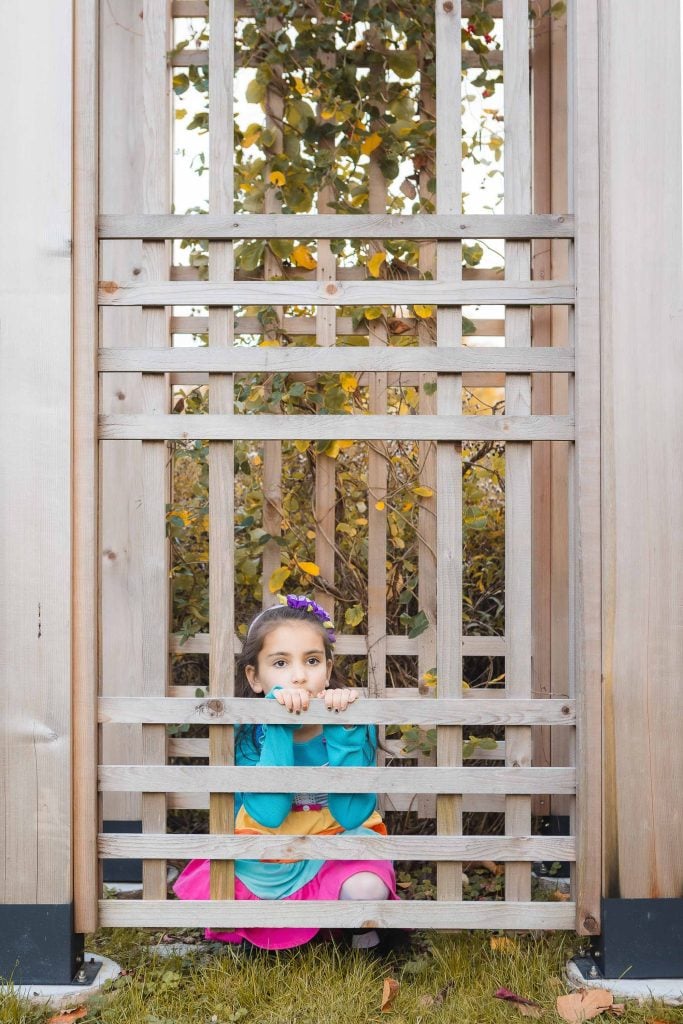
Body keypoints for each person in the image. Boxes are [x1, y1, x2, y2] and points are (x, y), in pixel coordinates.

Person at [173, 594, 398, 951]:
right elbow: (269, 815)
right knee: (226, 884)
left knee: (365, 888)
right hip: (269, 852)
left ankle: (362, 938)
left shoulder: (352, 723)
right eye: (280, 663)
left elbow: (351, 813)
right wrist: (277, 726)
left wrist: (343, 734)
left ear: (327, 667)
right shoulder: (247, 734)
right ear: (255, 677)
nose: (298, 676)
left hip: (334, 845)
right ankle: (263, 937)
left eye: (311, 661)